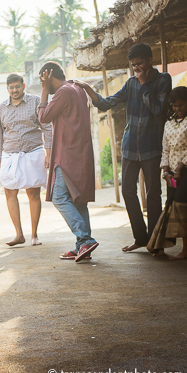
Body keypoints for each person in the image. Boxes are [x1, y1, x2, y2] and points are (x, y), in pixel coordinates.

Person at [75, 43, 172, 255]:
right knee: (128, 191)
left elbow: (158, 110)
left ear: (149, 60)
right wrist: (88, 89)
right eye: (133, 65)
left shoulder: (163, 80)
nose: (136, 68)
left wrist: (145, 85)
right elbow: (106, 103)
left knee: (153, 194)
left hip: (152, 147)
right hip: (130, 148)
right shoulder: (130, 84)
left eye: (139, 63)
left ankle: (155, 243)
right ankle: (141, 238)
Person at [37, 62, 99, 262]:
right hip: (80, 153)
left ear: (48, 75)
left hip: (67, 154)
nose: (42, 83)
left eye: (42, 79)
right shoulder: (77, 88)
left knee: (59, 197)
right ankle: (82, 246)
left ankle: (85, 238)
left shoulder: (63, 92)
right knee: (78, 200)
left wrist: (45, 91)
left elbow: (44, 117)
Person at [0, 73, 52, 246]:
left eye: (17, 86)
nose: (14, 90)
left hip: (33, 152)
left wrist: (49, 153)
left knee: (33, 193)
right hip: (10, 155)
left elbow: (47, 128)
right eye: (11, 87)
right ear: (7, 89)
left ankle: (34, 235)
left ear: (23, 86)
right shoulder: (2, 108)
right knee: (9, 191)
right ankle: (19, 234)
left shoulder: (35, 102)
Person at [147, 86, 187, 260]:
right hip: (171, 175)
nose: (177, 109)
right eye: (174, 106)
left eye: (181, 105)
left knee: (182, 208)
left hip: (185, 173)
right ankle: (163, 246)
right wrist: (166, 172)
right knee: (172, 209)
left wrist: (179, 169)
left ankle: (186, 250)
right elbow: (165, 150)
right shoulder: (168, 124)